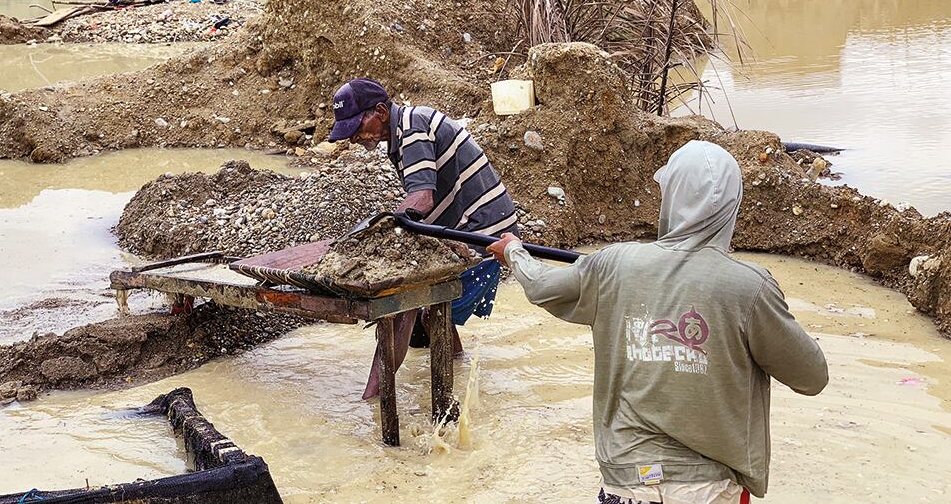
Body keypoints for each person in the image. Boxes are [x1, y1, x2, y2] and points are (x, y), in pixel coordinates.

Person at [487, 141, 828, 504]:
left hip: (627, 482)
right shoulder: (750, 286)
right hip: (710, 491)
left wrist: (514, 252)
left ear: (670, 197)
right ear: (733, 205)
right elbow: (812, 377)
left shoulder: (611, 265)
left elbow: (541, 285)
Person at [328, 78, 520, 400]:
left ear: (380, 111)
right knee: (424, 316)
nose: (355, 137)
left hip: (484, 235)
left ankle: (371, 399)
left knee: (411, 304)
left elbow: (422, 199)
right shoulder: (404, 130)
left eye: (357, 126)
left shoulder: (413, 128)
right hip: (471, 230)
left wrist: (380, 231)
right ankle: (456, 364)